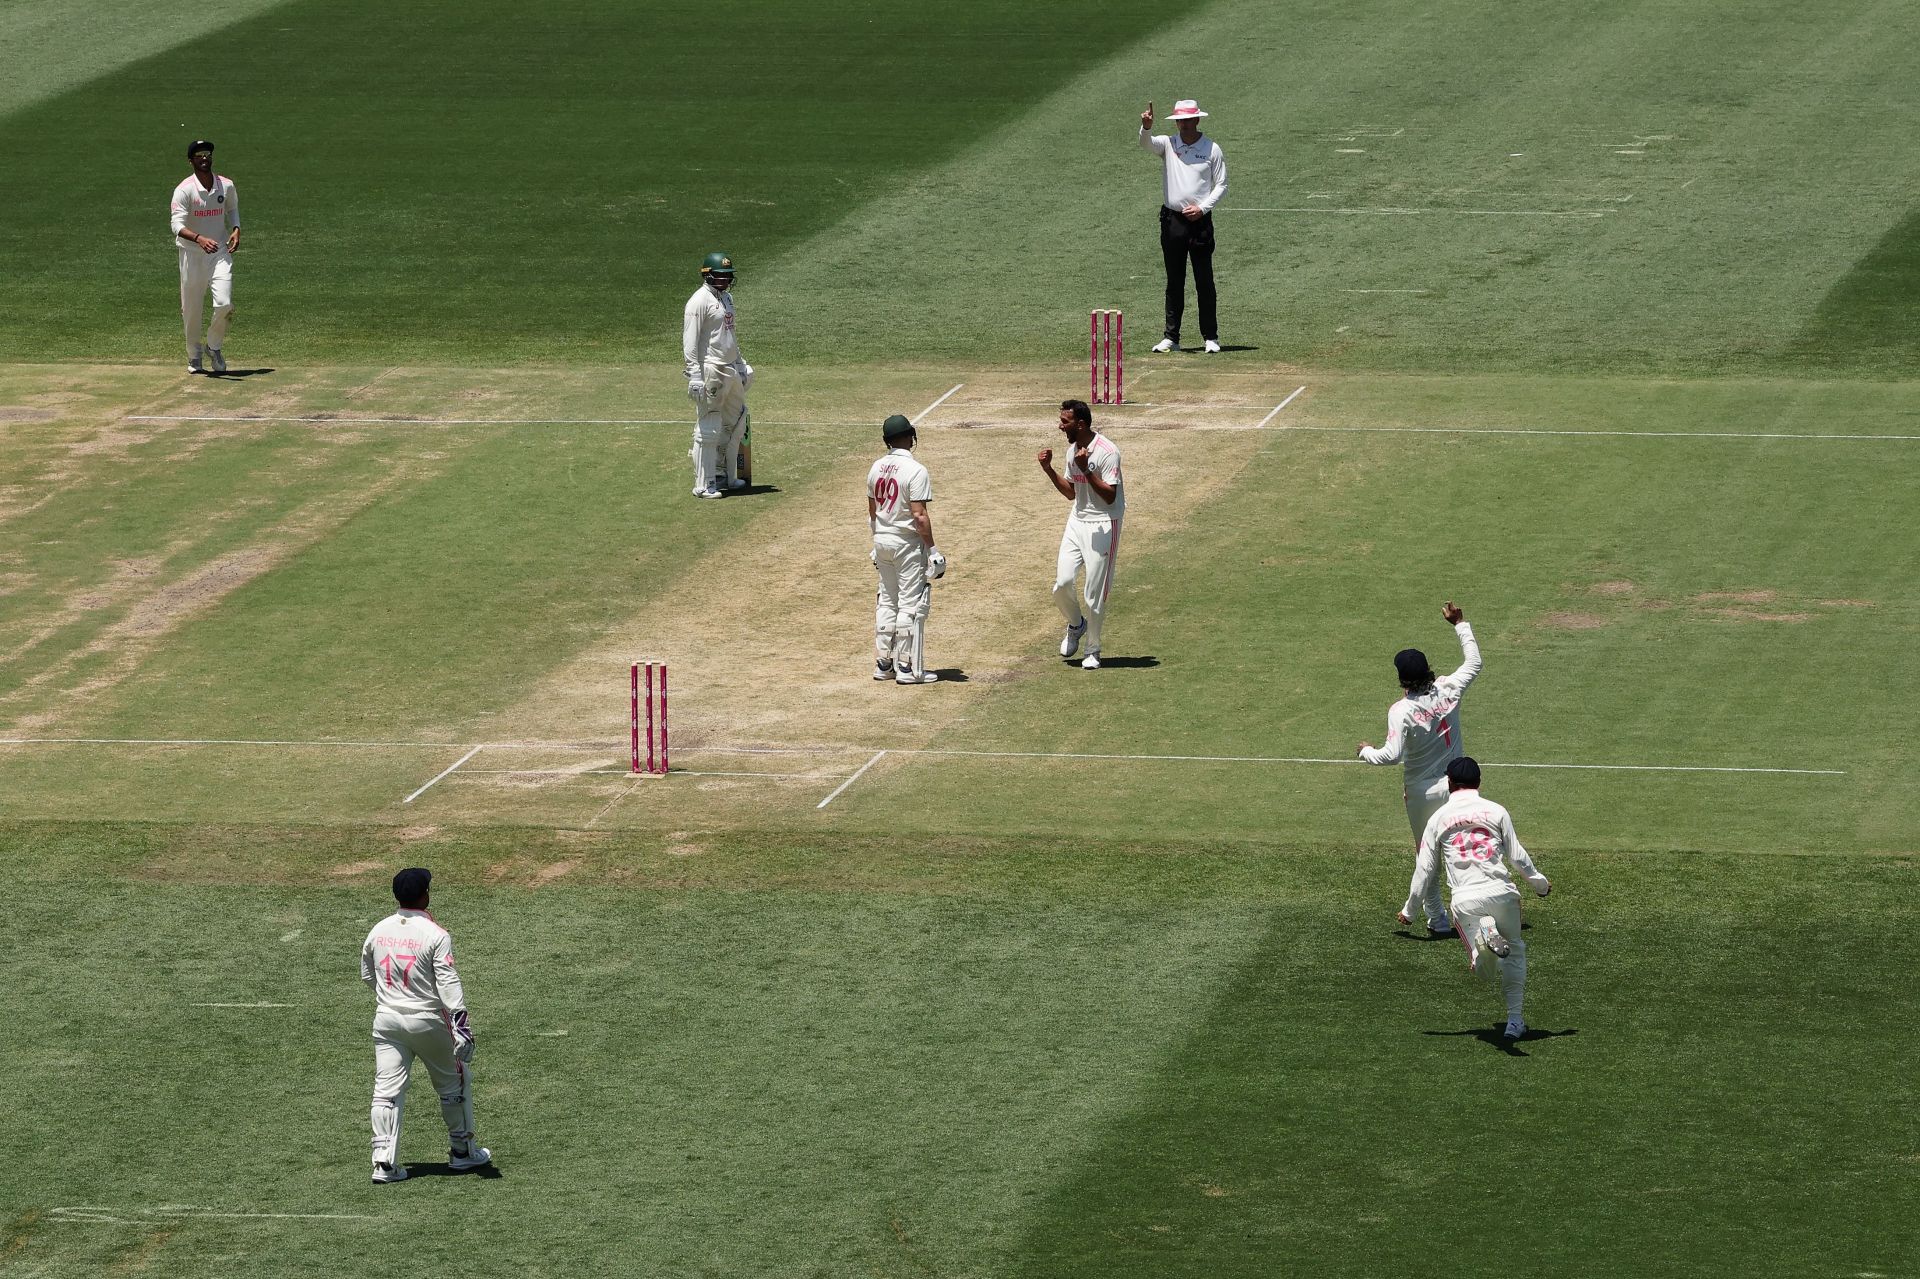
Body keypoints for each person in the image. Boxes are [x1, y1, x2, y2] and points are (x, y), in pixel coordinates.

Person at [1401, 757, 1552, 1040]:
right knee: (1515, 951)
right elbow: (1517, 856)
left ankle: (1484, 939)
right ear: (1479, 782)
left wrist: (1410, 911)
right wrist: (1540, 885)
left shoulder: (1437, 819)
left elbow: (1424, 869)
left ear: (1449, 784)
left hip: (1466, 900)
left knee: (1483, 971)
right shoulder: (1496, 811)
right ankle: (1515, 1021)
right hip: (1502, 892)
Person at [1357, 601, 1483, 935]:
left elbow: (1391, 755)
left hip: (1421, 793)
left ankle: (1438, 919)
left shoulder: (1401, 710)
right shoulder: (1449, 688)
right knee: (1463, 847)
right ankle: (1472, 909)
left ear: (1401, 679)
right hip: (1457, 787)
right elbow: (1474, 662)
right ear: (1428, 669)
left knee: (1426, 855)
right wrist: (1460, 624)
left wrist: (1365, 752)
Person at [360, 867, 492, 1183]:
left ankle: (383, 1164)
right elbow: (448, 983)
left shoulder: (378, 930)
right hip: (429, 1022)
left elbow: (367, 975)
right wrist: (461, 1026)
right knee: (454, 1084)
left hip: (387, 1021)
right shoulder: (436, 934)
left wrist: (393, 998)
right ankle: (462, 1153)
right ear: (425, 895)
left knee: (386, 1092)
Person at [1038, 399, 1124, 670]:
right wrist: (1049, 470)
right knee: (1062, 584)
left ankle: (1093, 650)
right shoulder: (1071, 451)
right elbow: (1070, 493)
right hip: (1077, 521)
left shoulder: (1108, 451)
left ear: (1081, 424)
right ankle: (1076, 624)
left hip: (1103, 524)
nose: (1060, 426)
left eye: (1065, 422)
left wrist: (1087, 468)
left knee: (1094, 594)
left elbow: (1110, 497)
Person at [1137, 100, 1227, 354]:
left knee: (1204, 280)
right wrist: (1146, 127)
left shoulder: (1211, 149)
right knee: (1174, 281)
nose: (1183, 125)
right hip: (1172, 222)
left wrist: (1202, 208)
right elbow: (1146, 144)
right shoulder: (1168, 143)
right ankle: (1171, 338)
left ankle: (1210, 337)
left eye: (1187, 120)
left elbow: (1221, 184)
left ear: (1197, 120)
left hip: (1199, 223)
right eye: (1179, 121)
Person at [868, 414, 945, 684]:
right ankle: (905, 668)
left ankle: (884, 664)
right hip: (906, 544)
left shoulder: (875, 467)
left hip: (882, 542)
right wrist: (934, 551)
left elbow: (872, 513)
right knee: (910, 603)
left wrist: (876, 542)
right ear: (910, 436)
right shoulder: (916, 470)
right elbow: (919, 516)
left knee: (887, 600)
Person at [682, 251, 753, 498]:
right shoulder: (698, 301)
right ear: (708, 275)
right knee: (709, 426)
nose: (725, 280)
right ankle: (704, 485)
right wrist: (694, 374)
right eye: (720, 276)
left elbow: (729, 336)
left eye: (728, 276)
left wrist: (740, 364)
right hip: (710, 368)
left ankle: (726, 477)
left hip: (730, 367)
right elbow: (690, 342)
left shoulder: (727, 298)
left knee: (735, 421)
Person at [169, 140, 241, 374]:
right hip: (192, 255)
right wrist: (199, 238)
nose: (204, 158)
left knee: (225, 303)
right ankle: (194, 355)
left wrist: (236, 227)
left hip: (219, 252)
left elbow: (232, 207)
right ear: (191, 160)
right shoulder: (185, 190)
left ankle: (213, 346)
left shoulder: (226, 185)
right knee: (192, 309)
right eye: (198, 155)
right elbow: (176, 225)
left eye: (207, 154)